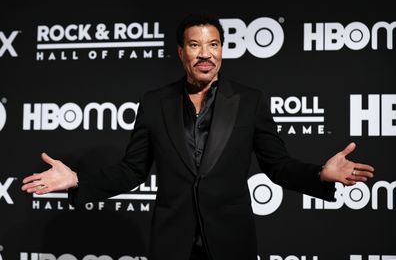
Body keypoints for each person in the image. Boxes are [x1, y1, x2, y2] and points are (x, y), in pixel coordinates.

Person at [21, 13, 375, 260]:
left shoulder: (250, 101)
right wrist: (77, 180)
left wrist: (319, 175)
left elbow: (277, 165)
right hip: (171, 244)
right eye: (194, 45)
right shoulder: (154, 103)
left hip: (231, 244)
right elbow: (132, 170)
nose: (205, 54)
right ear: (180, 52)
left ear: (222, 49)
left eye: (214, 44)